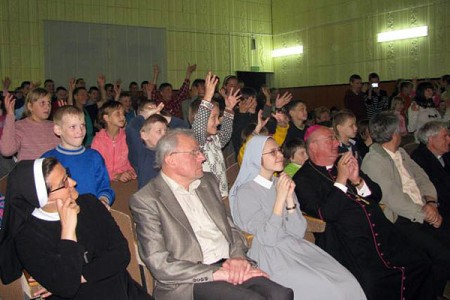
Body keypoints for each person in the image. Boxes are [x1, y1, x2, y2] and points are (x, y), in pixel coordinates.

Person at [129, 129, 293, 300]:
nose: (203, 157)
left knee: (281, 294)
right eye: (195, 152)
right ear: (171, 160)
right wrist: (216, 273)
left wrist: (237, 257)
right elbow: (158, 263)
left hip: (229, 265)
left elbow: (231, 228)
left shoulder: (207, 182)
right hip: (190, 281)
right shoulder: (147, 200)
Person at [293, 125, 435, 300]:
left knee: (421, 261)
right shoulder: (302, 179)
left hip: (383, 233)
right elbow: (326, 214)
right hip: (348, 243)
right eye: (330, 139)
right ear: (313, 146)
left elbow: (377, 194)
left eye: (335, 138)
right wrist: (342, 179)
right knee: (373, 283)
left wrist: (358, 180)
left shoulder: (343, 163)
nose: (337, 143)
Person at [229, 135, 366, 300]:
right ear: (257, 159)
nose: (280, 155)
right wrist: (280, 199)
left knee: (347, 281)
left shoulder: (281, 182)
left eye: (279, 150)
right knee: (328, 289)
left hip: (296, 247)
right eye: (273, 153)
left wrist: (289, 200)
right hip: (271, 255)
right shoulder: (246, 192)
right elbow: (268, 238)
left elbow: (298, 231)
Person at [0, 158, 153, 299]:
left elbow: (121, 254)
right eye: (64, 182)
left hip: (124, 291)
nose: (73, 182)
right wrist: (68, 231)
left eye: (68, 175)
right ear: (42, 197)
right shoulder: (27, 236)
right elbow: (66, 288)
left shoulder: (90, 203)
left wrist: (79, 277)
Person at [361, 111, 450, 297]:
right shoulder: (374, 161)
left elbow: (421, 176)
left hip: (423, 209)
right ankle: (430, 294)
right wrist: (426, 214)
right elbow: (394, 199)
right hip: (401, 219)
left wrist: (431, 201)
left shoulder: (400, 152)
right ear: (394, 133)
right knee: (443, 254)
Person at [41, 105, 115, 207]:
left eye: (82, 125)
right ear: (58, 130)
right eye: (73, 127)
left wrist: (103, 201)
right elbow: (42, 194)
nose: (80, 131)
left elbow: (104, 187)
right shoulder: (47, 159)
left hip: (91, 211)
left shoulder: (94, 156)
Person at [191, 72, 240, 197]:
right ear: (199, 118)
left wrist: (229, 108)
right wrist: (207, 96)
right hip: (207, 197)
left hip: (221, 195)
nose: (218, 122)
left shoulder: (214, 139)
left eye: (218, 117)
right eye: (214, 117)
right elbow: (199, 127)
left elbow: (226, 134)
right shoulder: (196, 141)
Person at [0, 88, 59, 160]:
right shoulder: (20, 126)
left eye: (49, 103)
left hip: (54, 169)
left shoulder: (55, 126)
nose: (47, 107)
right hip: (30, 169)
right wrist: (10, 116)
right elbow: (7, 151)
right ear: (30, 106)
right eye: (42, 103)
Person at [411, 121, 450, 220]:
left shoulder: (446, 154)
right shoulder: (419, 159)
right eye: (444, 136)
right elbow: (435, 189)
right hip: (439, 208)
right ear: (431, 139)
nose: (449, 139)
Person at [126, 102, 169, 189]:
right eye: (159, 131)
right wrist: (147, 114)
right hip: (149, 199)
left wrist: (163, 116)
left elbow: (183, 126)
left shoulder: (168, 152)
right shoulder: (141, 154)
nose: (164, 134)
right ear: (144, 135)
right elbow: (132, 128)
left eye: (166, 130)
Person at [91, 101, 137, 182]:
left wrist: (131, 171)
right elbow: (96, 168)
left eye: (123, 113)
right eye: (117, 114)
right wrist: (115, 176)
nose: (122, 116)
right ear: (106, 118)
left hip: (124, 180)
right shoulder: (98, 140)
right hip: (104, 181)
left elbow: (131, 161)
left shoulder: (127, 137)